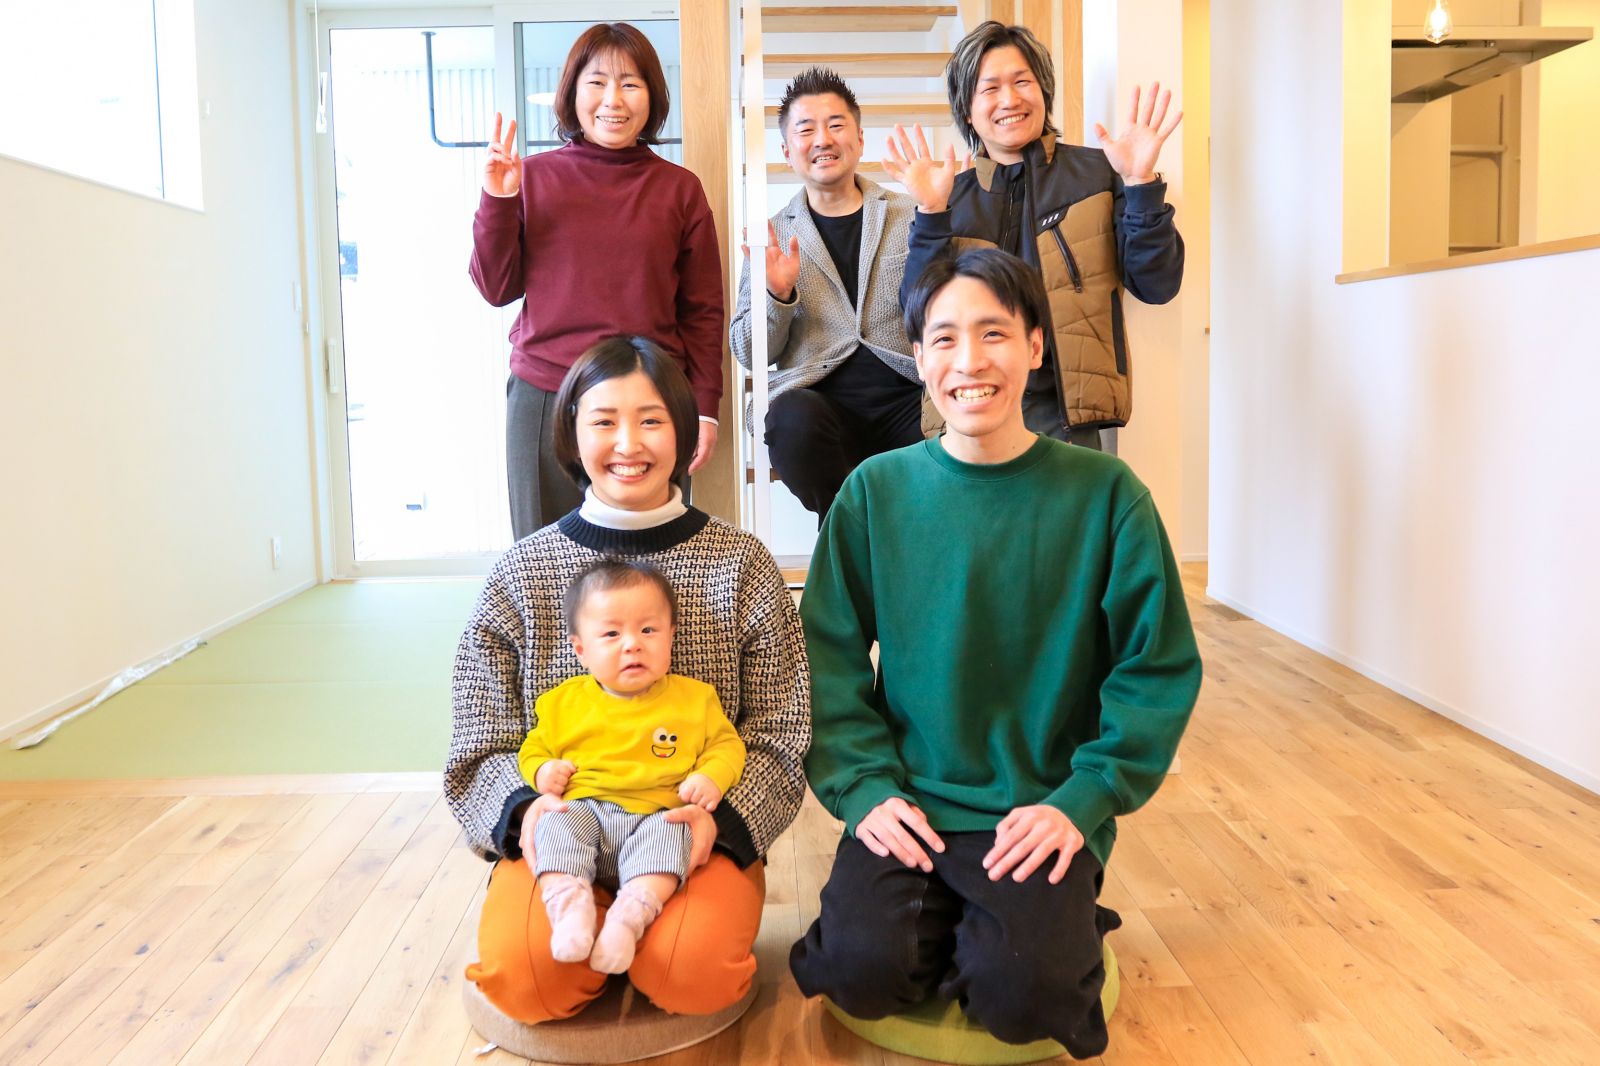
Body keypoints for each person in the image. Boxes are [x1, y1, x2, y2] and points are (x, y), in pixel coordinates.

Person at [789, 249, 1201, 1058]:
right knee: (861, 971)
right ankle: (966, 918)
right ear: (918, 358)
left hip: (1036, 809)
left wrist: (1083, 800)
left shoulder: (1108, 496)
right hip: (910, 804)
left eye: (994, 333)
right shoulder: (874, 492)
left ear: (1036, 346)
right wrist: (865, 789)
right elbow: (826, 660)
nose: (969, 361)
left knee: (1024, 998)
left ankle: (1044, 920)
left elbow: (1155, 668)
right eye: (944, 339)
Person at [447, 335, 810, 1022]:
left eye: (650, 420)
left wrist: (720, 824)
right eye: (604, 421)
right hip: (564, 829)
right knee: (527, 982)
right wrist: (525, 811)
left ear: (684, 431)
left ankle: (648, 935)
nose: (628, 443)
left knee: (691, 975)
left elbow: (781, 732)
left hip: (688, 833)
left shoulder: (742, 564)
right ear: (571, 432)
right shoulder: (522, 572)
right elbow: (478, 740)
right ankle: (585, 925)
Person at [469, 23, 724, 538]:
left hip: (651, 398)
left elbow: (702, 310)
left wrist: (705, 408)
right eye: (597, 82)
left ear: (652, 96)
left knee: (649, 558)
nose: (613, 100)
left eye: (630, 84)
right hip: (546, 392)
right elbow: (496, 288)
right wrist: (498, 198)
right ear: (572, 93)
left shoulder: (680, 189)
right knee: (544, 557)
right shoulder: (531, 176)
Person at [884, 21, 1184, 449]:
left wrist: (1140, 183)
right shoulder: (950, 198)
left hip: (1065, 414)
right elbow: (918, 314)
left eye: (1022, 81)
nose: (1009, 99)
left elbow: (1157, 285)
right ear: (967, 110)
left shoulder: (1098, 175)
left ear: (1044, 91)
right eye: (990, 88)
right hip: (971, 405)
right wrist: (931, 214)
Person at [523, 559, 746, 974]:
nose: (632, 644)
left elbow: (727, 745)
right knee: (552, 826)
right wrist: (541, 771)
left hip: (657, 814)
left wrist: (710, 776)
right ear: (581, 650)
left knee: (673, 837)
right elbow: (532, 748)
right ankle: (570, 909)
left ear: (671, 636)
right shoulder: (561, 703)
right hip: (582, 808)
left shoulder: (695, 699)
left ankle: (628, 919)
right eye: (611, 633)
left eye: (648, 630)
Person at [730, 68, 927, 523]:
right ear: (787, 152)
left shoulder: (909, 213)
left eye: (836, 125)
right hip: (821, 406)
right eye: (806, 129)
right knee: (789, 417)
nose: (823, 139)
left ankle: (870, 538)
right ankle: (847, 528)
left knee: (949, 429)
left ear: (859, 139)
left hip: (907, 398)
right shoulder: (772, 236)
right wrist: (776, 294)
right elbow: (747, 350)